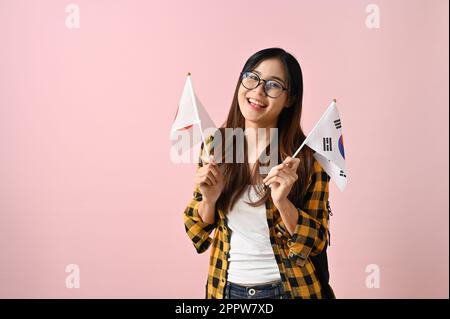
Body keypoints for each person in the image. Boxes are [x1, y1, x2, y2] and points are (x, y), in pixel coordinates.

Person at [183, 47, 334, 299]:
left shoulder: (305, 158)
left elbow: (315, 241)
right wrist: (208, 200)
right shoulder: (218, 145)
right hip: (225, 290)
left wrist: (283, 202)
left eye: (273, 85)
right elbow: (197, 230)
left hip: (291, 290)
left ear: (290, 99)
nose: (258, 91)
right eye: (252, 77)